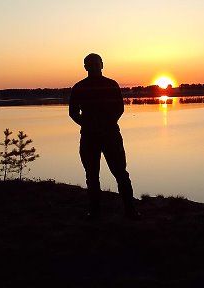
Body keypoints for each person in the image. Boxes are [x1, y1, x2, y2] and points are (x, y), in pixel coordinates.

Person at [69, 53, 140, 220]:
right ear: (85, 67)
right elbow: (73, 113)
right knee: (92, 175)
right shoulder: (79, 87)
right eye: (90, 64)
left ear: (102, 65)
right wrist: (87, 125)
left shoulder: (110, 85)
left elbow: (119, 108)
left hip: (110, 135)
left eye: (96, 63)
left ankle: (130, 210)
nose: (93, 66)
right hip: (90, 137)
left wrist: (105, 124)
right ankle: (95, 212)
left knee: (120, 173)